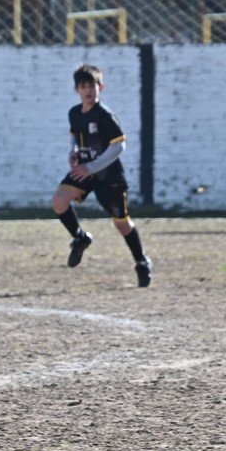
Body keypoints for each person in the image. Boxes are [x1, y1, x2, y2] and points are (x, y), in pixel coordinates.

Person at [52, 63, 153, 288]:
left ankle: (141, 261)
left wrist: (92, 166)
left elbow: (119, 146)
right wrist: (73, 153)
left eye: (93, 86)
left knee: (121, 223)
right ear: (76, 90)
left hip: (108, 175)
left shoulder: (104, 115)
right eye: (83, 86)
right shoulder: (74, 113)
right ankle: (80, 237)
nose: (88, 90)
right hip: (85, 171)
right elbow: (75, 138)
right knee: (59, 201)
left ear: (101, 87)